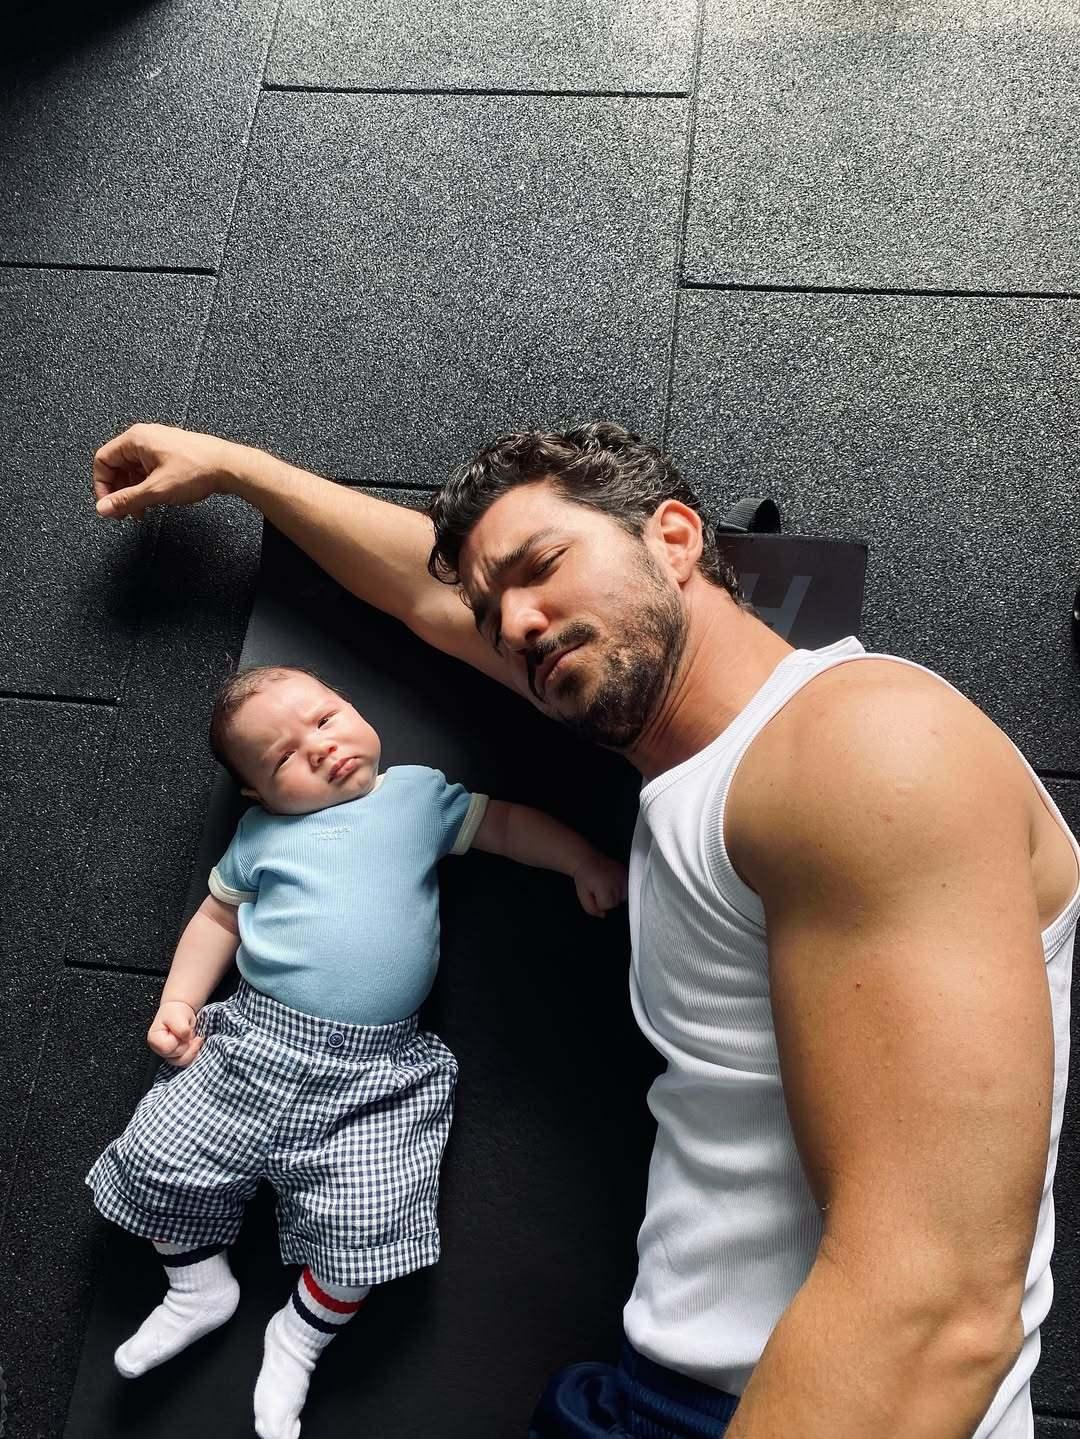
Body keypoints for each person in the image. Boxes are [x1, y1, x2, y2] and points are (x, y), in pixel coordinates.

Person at [92, 420, 1079, 1439]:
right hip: (652, 1389)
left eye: (543, 565)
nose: (516, 622)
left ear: (676, 538)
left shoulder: (864, 741)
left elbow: (935, 1308)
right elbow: (426, 596)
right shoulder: (703, 769)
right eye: (493, 611)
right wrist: (237, 468)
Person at [84, 661, 627, 1439]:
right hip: (251, 1049)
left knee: (372, 1228)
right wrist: (178, 1002)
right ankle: (197, 1284)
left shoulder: (415, 796)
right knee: (156, 1158)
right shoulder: (260, 837)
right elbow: (216, 919)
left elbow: (506, 826)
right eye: (283, 757)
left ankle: (299, 1335)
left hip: (374, 1079)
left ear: (352, 706)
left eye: (326, 717)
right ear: (258, 795)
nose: (319, 747)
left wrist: (580, 859)